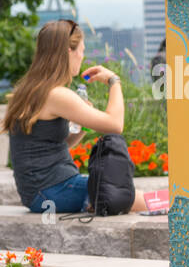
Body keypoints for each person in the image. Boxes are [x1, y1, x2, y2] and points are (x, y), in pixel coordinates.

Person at [2, 19, 146, 214]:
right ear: (69, 51)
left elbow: (52, 147)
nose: (82, 56)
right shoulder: (56, 95)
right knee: (140, 199)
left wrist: (82, 126)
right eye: (82, 50)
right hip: (53, 190)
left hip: (39, 193)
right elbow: (115, 124)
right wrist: (114, 81)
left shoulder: (28, 91)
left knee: (131, 195)